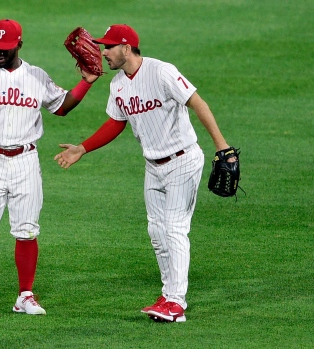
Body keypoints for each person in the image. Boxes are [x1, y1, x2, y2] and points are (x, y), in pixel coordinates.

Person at [54, 24, 235, 323]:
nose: (103, 52)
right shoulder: (118, 85)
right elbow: (116, 123)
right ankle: (167, 295)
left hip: (183, 160)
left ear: (127, 48)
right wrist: (82, 149)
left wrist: (222, 146)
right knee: (156, 232)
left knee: (175, 228)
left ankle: (176, 303)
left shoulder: (161, 72)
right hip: (153, 165)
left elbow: (197, 102)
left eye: (109, 47)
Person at [0, 19, 99, 315]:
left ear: (19, 45)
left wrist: (85, 83)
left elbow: (62, 106)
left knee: (27, 230)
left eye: (5, 48)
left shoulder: (36, 76)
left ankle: (25, 295)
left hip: (25, 162)